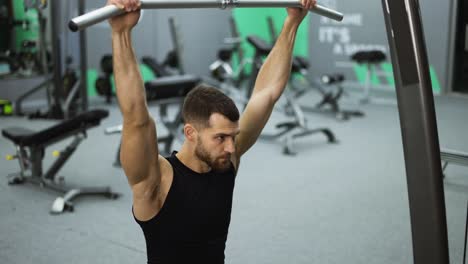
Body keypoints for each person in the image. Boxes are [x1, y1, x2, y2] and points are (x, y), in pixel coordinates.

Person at [108, 0, 316, 263]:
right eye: (220, 137)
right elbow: (136, 117)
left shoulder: (226, 160)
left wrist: (292, 22)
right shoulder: (156, 181)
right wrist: (121, 33)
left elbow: (267, 92)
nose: (231, 147)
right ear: (190, 132)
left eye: (232, 136)